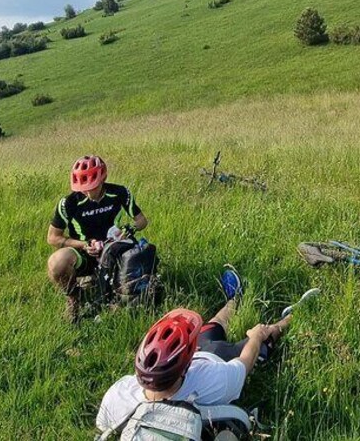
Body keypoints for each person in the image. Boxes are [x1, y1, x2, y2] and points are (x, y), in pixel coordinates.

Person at [96, 267, 305, 433]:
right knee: (259, 339)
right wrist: (256, 336)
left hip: (202, 356)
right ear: (188, 362)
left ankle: (235, 299)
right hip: (220, 357)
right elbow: (244, 364)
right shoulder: (211, 380)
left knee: (212, 326)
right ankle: (290, 318)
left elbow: (103, 425)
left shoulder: (118, 396)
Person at [46, 155, 148, 322]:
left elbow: (142, 221)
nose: (87, 191)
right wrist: (84, 245)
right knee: (57, 262)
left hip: (114, 249)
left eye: (91, 186)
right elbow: (52, 237)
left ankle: (120, 294)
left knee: (139, 258)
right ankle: (74, 299)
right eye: (82, 187)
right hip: (84, 253)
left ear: (103, 178)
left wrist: (128, 229)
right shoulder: (68, 203)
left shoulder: (119, 193)